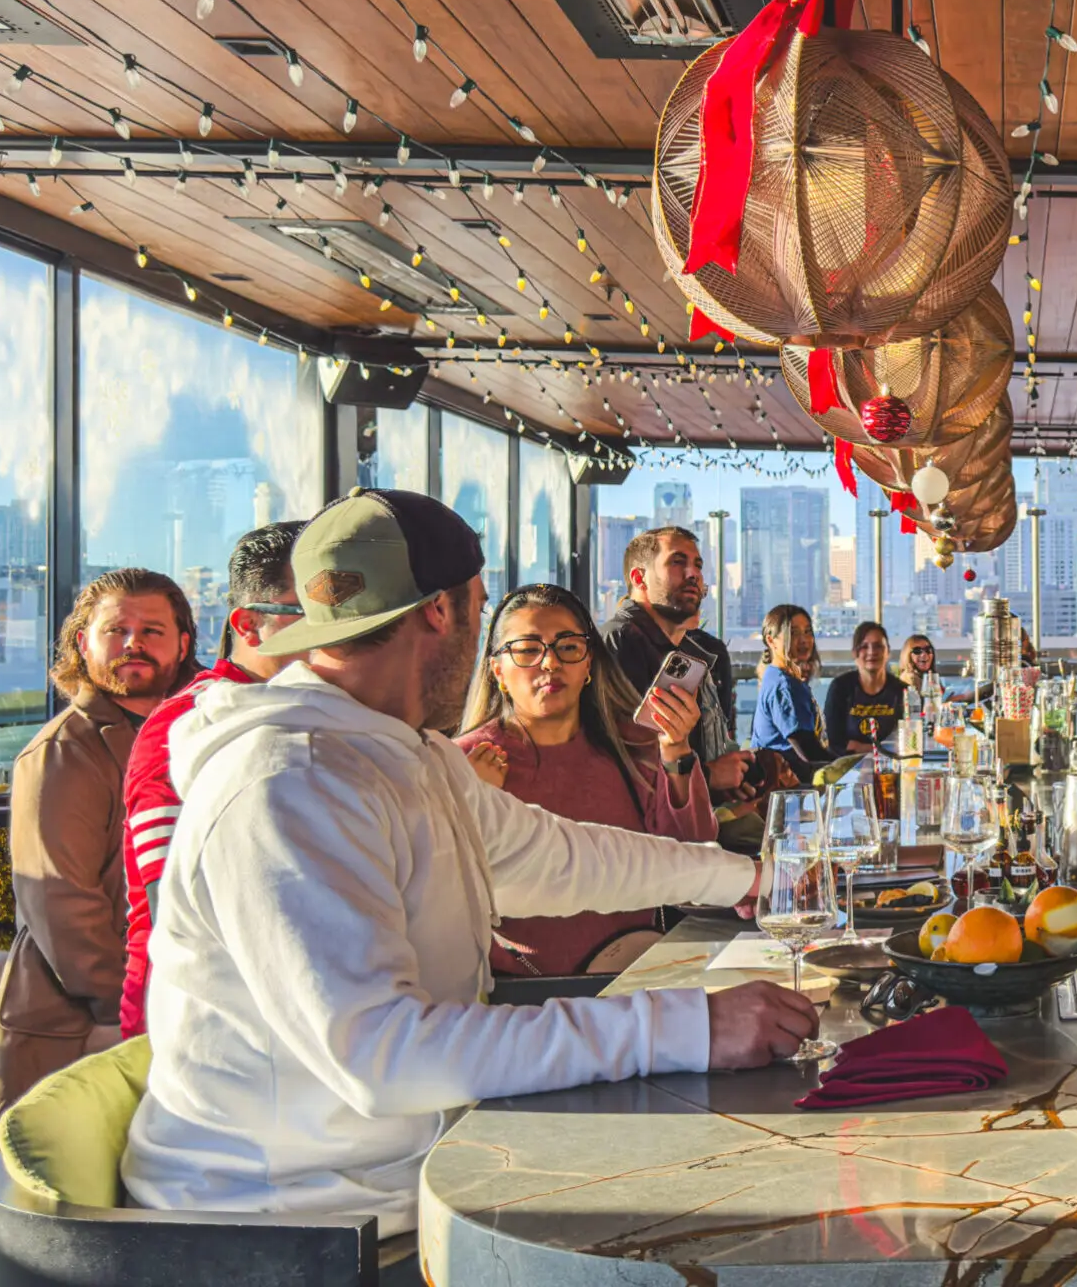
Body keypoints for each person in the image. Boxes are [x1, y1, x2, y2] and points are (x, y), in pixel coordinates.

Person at [123, 489, 816, 1234]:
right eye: (482, 606)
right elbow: (384, 1056)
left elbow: (553, 856)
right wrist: (687, 1027)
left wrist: (747, 879)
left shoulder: (401, 754)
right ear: (439, 612)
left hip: (407, 1172)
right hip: (289, 1227)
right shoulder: (288, 783)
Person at [0, 569, 197, 1146]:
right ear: (82, 643)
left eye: (152, 630)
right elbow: (62, 908)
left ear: (185, 644)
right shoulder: (62, 752)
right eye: (115, 630)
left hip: (177, 1008)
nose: (133, 644)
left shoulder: (199, 732)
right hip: (89, 1023)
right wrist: (132, 1015)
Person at [456, 584, 722, 977]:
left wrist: (677, 750)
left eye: (568, 647)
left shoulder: (632, 748)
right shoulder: (462, 762)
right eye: (528, 649)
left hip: (639, 980)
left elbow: (692, 851)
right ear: (498, 670)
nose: (550, 663)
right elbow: (437, 896)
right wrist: (470, 807)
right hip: (523, 1003)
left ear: (588, 665)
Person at [117, 521, 305, 1039]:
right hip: (199, 1028)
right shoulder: (185, 726)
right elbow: (175, 904)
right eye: (308, 616)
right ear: (248, 625)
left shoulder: (304, 713)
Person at [601, 525, 753, 800]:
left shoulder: (686, 652)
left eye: (697, 565)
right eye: (677, 562)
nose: (693, 574)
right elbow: (621, 766)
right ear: (640, 578)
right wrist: (710, 776)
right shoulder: (621, 642)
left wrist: (732, 773)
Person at [749, 604, 824, 773]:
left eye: (807, 631)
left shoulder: (775, 675)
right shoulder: (784, 686)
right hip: (788, 789)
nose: (804, 640)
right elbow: (808, 751)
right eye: (793, 633)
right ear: (771, 641)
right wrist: (848, 765)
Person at [824, 620, 906, 754]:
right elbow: (834, 741)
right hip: (847, 767)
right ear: (854, 653)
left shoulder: (902, 691)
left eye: (878, 646)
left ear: (888, 652)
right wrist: (878, 750)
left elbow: (908, 739)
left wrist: (861, 747)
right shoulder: (840, 688)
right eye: (864, 647)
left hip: (891, 767)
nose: (871, 652)